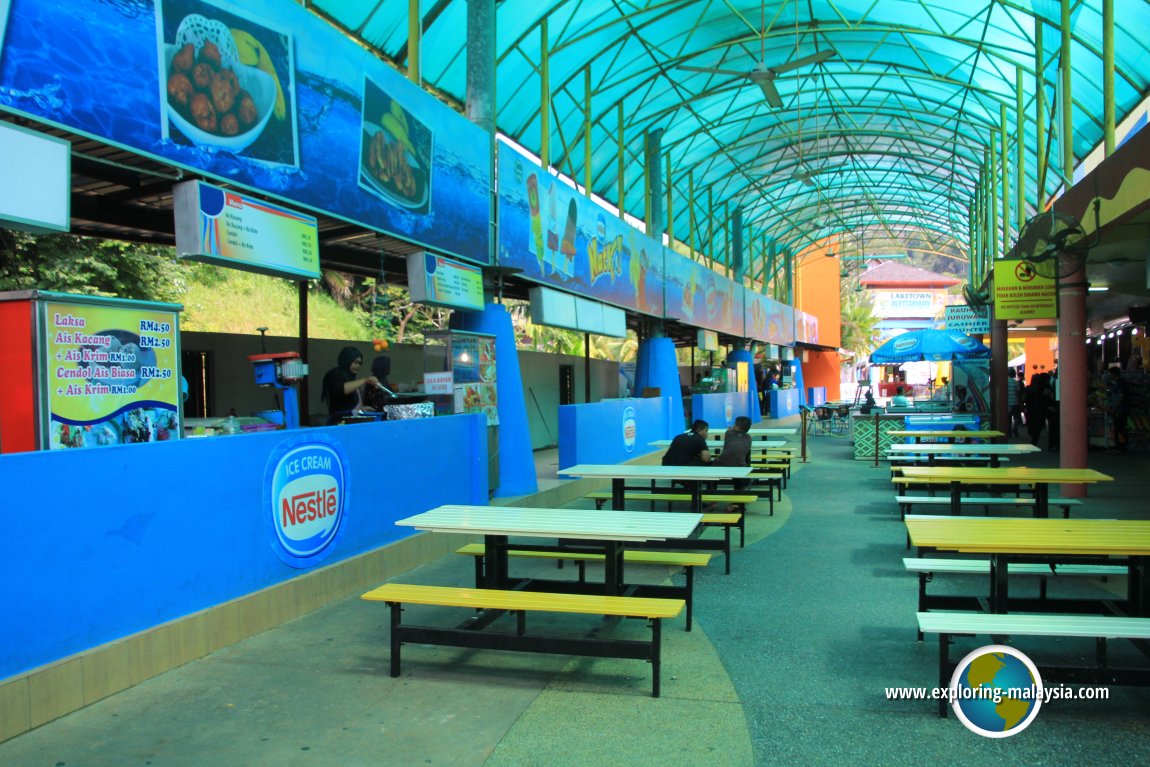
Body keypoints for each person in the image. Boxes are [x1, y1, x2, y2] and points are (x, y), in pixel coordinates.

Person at [321, 346, 379, 424]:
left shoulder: (349, 378)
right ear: (347, 360)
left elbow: (349, 403)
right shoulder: (335, 374)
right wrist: (365, 380)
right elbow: (342, 389)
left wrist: (362, 408)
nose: (358, 366)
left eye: (359, 363)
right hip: (339, 422)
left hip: (349, 421)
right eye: (355, 362)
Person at [1023, 372, 1053, 447]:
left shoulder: (1030, 388)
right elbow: (1048, 397)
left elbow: (1026, 399)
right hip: (1044, 408)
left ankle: (1034, 439)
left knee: (1036, 425)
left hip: (1033, 409)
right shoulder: (1046, 387)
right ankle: (1051, 444)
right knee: (1044, 425)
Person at [1106, 366, 1131, 452]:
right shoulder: (1119, 382)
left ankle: (1121, 446)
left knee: (1120, 428)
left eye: (1110, 374)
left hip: (1121, 409)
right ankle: (1120, 445)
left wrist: (1115, 408)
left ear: (1113, 374)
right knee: (1119, 427)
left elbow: (1121, 397)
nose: (1109, 376)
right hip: (1121, 408)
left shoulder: (1120, 383)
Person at [1006, 369, 1023, 438]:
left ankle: (1009, 433)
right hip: (1015, 403)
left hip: (1007, 404)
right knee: (1016, 418)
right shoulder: (1016, 383)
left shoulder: (1005, 382)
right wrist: (1020, 403)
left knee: (1008, 419)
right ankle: (1015, 428)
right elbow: (1018, 393)